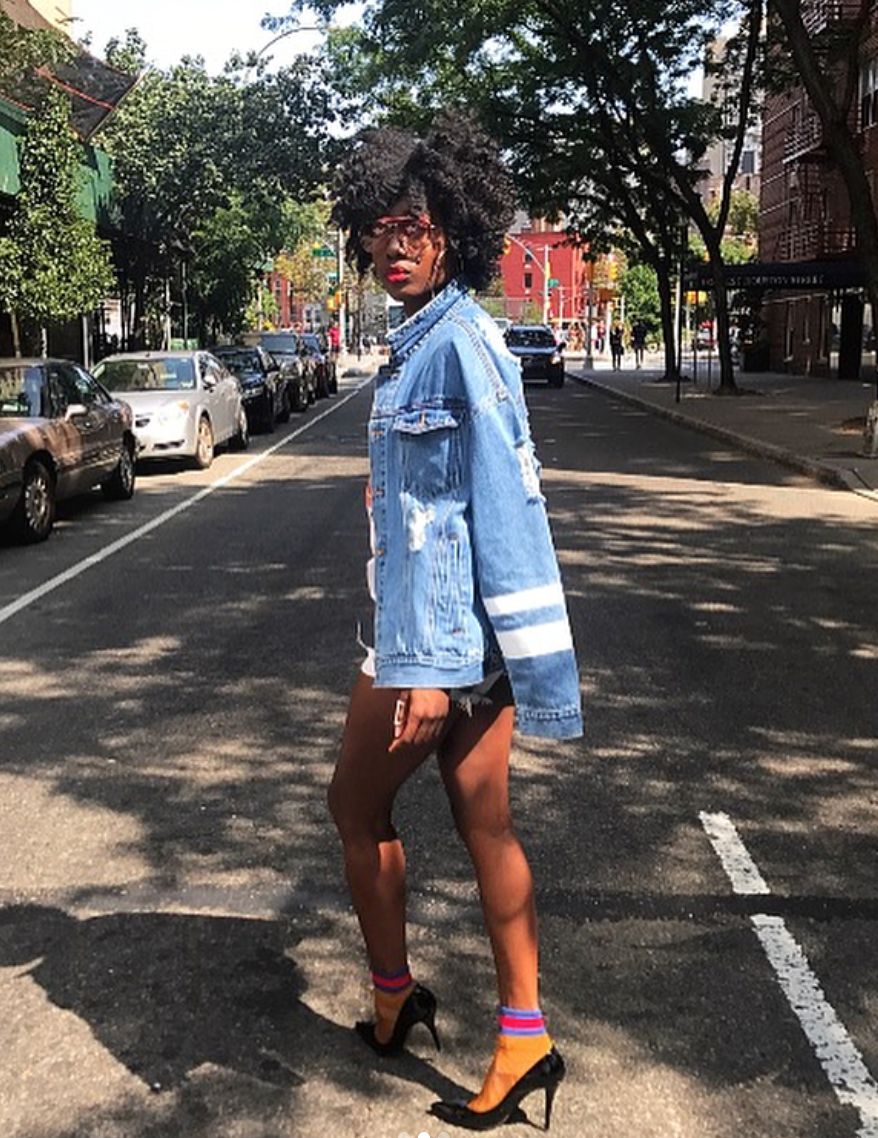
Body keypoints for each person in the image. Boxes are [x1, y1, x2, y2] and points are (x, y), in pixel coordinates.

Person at [328, 111, 583, 1132]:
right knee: (486, 829)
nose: (392, 246)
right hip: (467, 646)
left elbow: (496, 511)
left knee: (353, 810)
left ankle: (395, 993)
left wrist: (434, 671)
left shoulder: (457, 348)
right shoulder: (431, 341)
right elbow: (438, 511)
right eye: (378, 228)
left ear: (456, 230)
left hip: (428, 648)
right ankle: (521, 1035)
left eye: (415, 226)